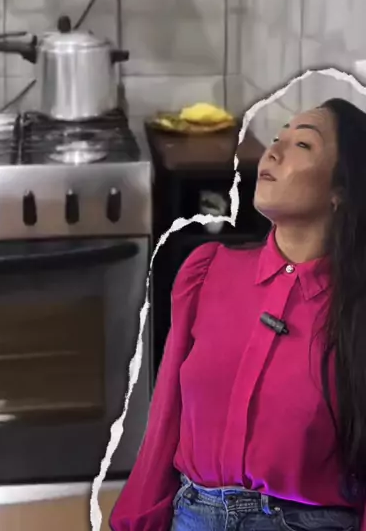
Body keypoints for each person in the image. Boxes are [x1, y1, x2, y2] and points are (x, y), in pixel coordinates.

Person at [110, 98, 366, 531]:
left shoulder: (355, 307)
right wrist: (137, 520)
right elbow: (165, 420)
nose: (273, 151)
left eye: (302, 145)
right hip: (193, 515)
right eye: (278, 137)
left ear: (341, 190)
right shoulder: (207, 272)